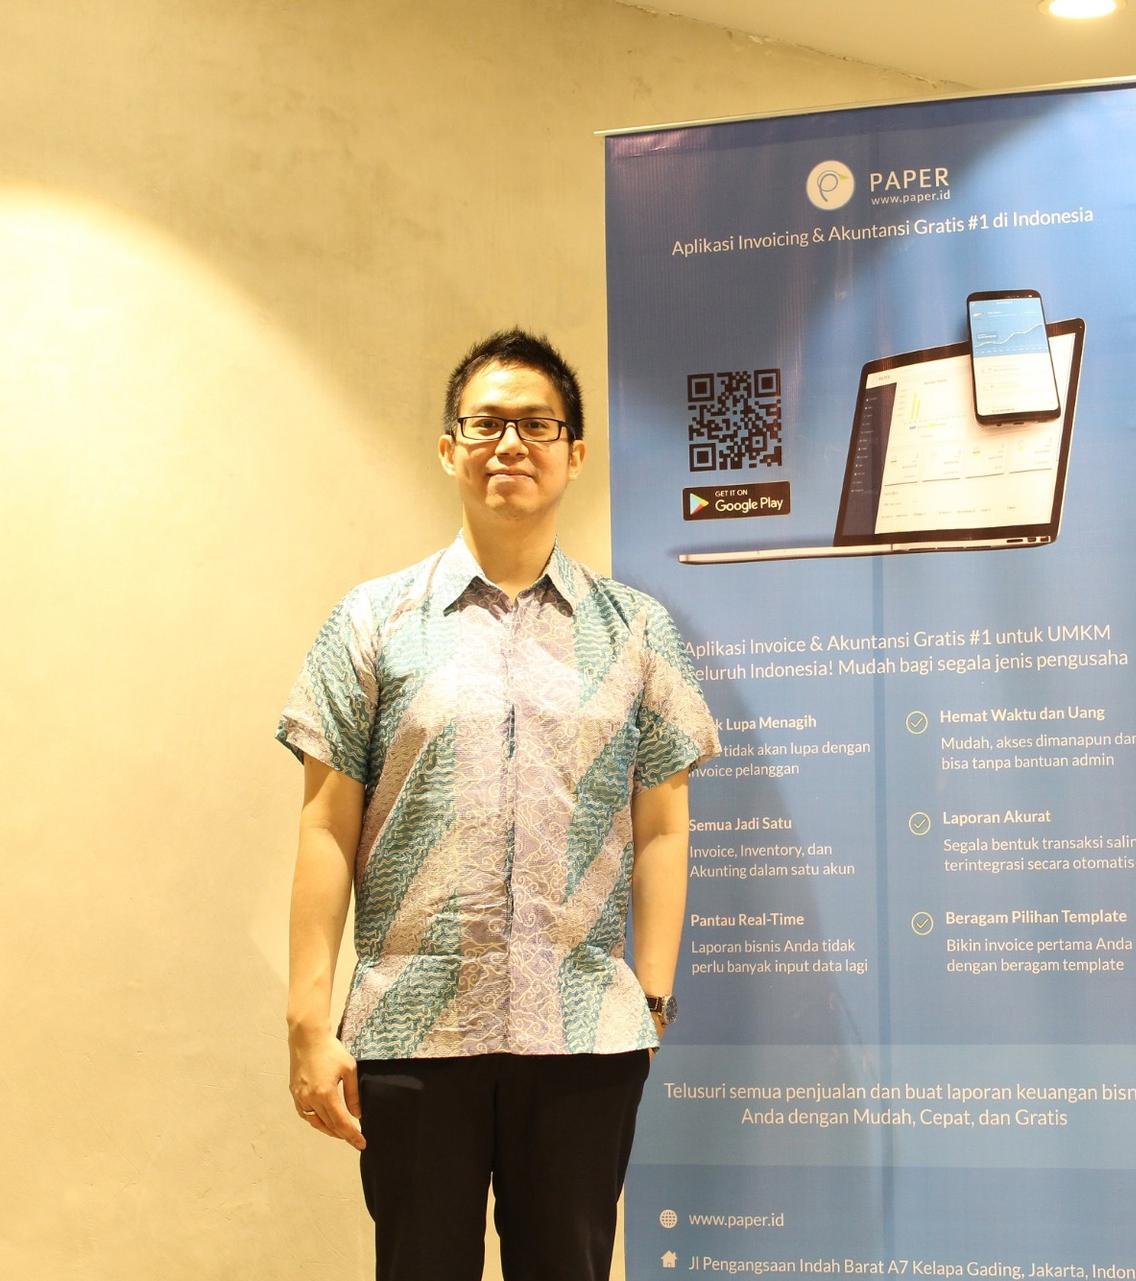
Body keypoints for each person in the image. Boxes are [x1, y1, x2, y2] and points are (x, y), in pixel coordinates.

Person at [277, 328, 718, 1281]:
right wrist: (308, 1019)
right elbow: (325, 825)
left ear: (574, 451)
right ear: (450, 447)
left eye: (536, 424)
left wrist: (649, 1000)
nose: (509, 443)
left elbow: (663, 825)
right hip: (412, 1031)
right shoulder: (372, 621)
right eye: (485, 423)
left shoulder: (637, 630)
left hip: (583, 1038)